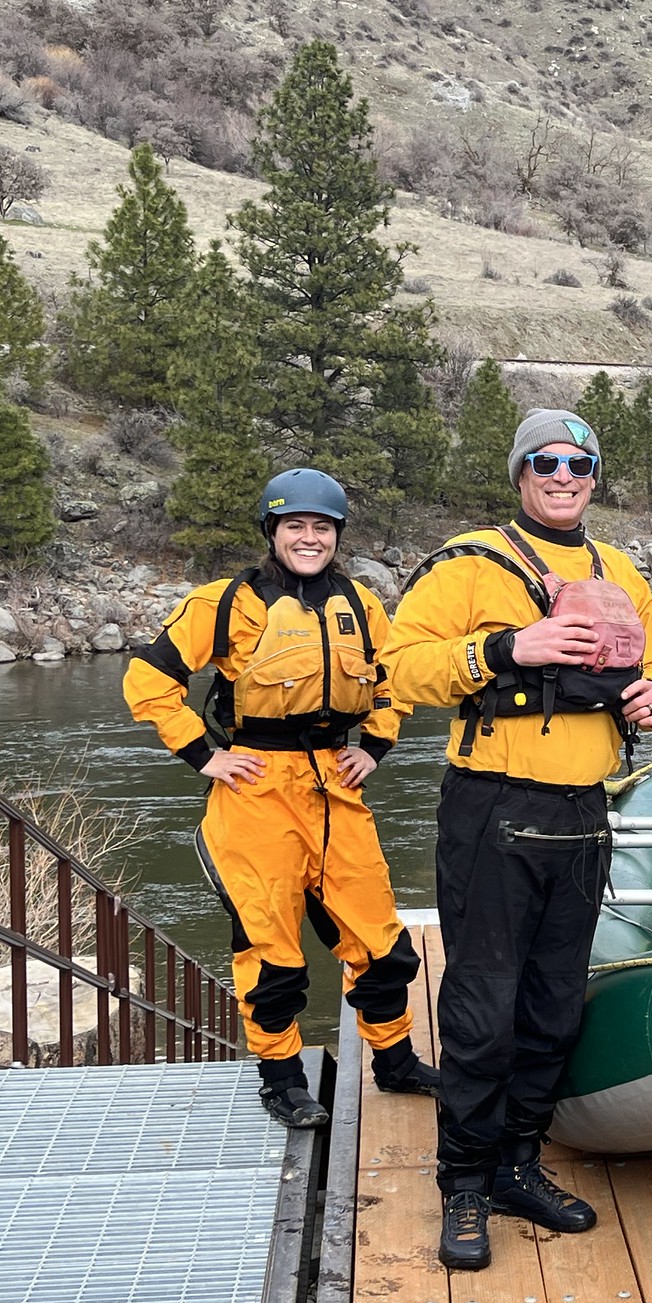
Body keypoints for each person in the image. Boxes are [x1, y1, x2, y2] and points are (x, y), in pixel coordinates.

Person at [385, 409, 652, 1272]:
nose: (564, 475)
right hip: (491, 807)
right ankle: (464, 1186)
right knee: (483, 1013)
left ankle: (518, 1164)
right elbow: (399, 668)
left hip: (583, 813)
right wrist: (513, 645)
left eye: (579, 463)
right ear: (520, 474)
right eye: (546, 462)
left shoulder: (620, 570)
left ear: (594, 475)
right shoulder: (469, 563)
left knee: (552, 1010)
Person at [125, 469, 440, 1129]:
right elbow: (149, 680)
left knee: (384, 946)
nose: (308, 537)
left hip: (336, 786)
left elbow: (393, 682)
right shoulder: (228, 602)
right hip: (256, 792)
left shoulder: (360, 603)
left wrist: (374, 746)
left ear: (337, 536)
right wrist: (204, 754)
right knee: (273, 955)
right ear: (272, 531)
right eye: (294, 525)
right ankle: (282, 1079)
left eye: (321, 527)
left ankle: (395, 1061)